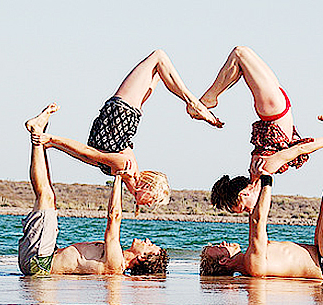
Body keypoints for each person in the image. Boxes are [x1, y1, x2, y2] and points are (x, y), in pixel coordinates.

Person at [32, 49, 223, 212]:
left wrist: (51, 142)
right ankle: (193, 104)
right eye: (153, 200)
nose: (151, 204)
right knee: (157, 64)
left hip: (122, 117)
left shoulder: (123, 170)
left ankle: (193, 104)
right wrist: (52, 141)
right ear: (147, 187)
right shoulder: (124, 168)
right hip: (121, 118)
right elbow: (88, 153)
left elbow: (87, 156)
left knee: (158, 59)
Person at [200, 115, 323, 280]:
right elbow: (257, 221)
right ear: (224, 260)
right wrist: (267, 179)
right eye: (219, 247)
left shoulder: (250, 262)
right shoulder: (252, 262)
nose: (223, 242)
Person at [19, 104, 169, 276]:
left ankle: (38, 134)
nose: (147, 240)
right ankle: (41, 137)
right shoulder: (116, 261)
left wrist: (118, 177)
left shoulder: (116, 263)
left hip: (40, 264)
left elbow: (114, 217)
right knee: (48, 196)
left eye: (150, 245)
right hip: (45, 257)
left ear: (142, 258)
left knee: (45, 196)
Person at [201, 46, 323, 213]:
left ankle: (210, 98)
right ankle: (211, 98)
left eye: (244, 208)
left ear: (244, 194)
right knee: (240, 63)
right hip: (275, 108)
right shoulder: (259, 170)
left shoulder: (265, 167)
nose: (249, 211)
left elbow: (301, 148)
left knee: (240, 54)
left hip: (273, 110)